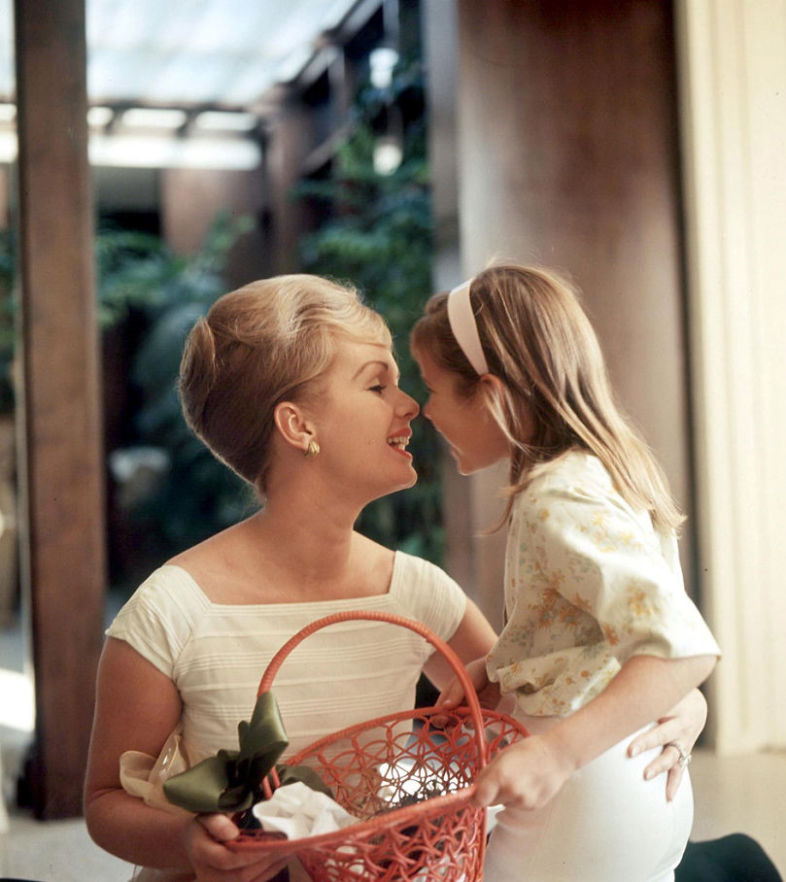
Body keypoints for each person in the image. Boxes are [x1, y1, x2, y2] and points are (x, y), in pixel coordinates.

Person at [84, 273, 710, 882]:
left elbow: (547, 684)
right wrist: (190, 840)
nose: (411, 404)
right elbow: (105, 804)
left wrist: (685, 700)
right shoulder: (170, 611)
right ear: (299, 427)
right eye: (378, 384)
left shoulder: (418, 592)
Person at [410, 263, 722, 882]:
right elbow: (590, 633)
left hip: (584, 794)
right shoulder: (607, 470)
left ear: (493, 395)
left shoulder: (557, 496)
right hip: (641, 786)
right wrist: (502, 666)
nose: (423, 410)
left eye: (434, 388)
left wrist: (554, 754)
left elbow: (682, 650)